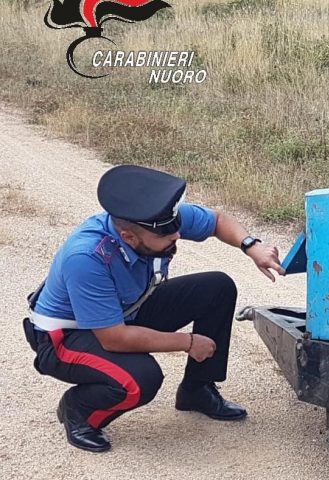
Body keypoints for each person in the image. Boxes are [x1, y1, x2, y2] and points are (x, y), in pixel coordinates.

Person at [23, 164, 285, 453]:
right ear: (129, 237)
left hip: (124, 312)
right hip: (66, 337)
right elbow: (114, 338)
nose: (176, 238)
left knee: (217, 287)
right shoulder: (86, 257)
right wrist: (187, 342)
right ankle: (79, 410)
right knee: (141, 380)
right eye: (165, 238)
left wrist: (252, 246)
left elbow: (217, 220)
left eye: (175, 231)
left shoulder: (154, 220)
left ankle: (196, 390)